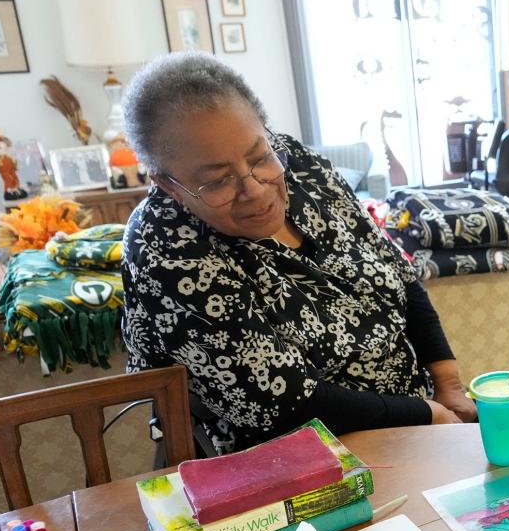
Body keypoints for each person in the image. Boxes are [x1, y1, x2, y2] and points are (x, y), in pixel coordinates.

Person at [120, 53, 475, 455]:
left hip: (416, 415)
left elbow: (396, 271)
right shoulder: (164, 247)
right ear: (168, 184)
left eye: (259, 157)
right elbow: (282, 402)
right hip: (300, 456)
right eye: (218, 181)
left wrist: (449, 388)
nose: (255, 188)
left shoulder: (300, 164)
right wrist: (428, 416)